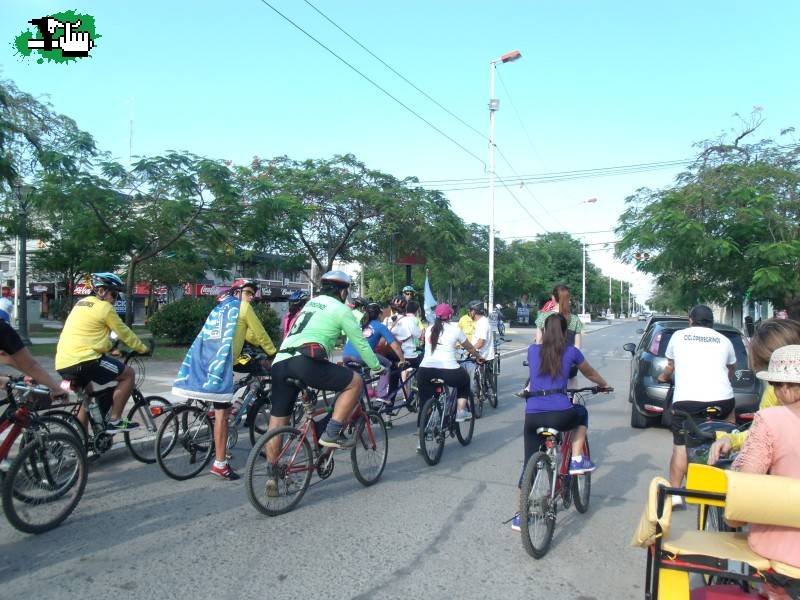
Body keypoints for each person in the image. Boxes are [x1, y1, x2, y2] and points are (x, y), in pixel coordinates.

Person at [267, 270, 383, 475]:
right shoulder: (341, 309)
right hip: (304, 361)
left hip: (280, 362)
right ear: (343, 291)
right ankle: (330, 433)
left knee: (278, 421)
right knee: (354, 382)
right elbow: (361, 345)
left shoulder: (310, 304)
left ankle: (272, 474)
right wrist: (377, 367)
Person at [512, 313, 611, 531]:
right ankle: (576, 459)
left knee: (530, 462)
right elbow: (590, 373)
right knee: (582, 413)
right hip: (561, 414)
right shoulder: (571, 352)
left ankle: (520, 515)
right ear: (565, 333)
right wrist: (604, 385)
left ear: (545, 331)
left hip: (533, 416)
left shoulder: (532, 350)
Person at [730, 345, 800, 589]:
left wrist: (734, 519)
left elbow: (746, 492)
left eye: (774, 385)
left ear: (787, 387)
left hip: (783, 552)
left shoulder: (771, 420)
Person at [656, 304, 736, 507]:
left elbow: (670, 366)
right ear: (712, 322)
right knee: (728, 428)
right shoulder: (724, 340)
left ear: (690, 320)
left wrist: (664, 377)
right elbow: (731, 368)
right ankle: (727, 471)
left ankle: (675, 495)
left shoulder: (679, 336)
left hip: (687, 402)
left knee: (681, 446)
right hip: (722, 400)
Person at [55, 272, 150, 433]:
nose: (115, 298)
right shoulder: (105, 308)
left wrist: (111, 349)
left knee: (88, 400)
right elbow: (124, 332)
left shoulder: (80, 304)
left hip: (63, 363)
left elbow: (88, 335)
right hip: (86, 361)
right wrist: (143, 348)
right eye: (113, 293)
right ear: (100, 291)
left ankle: (81, 443)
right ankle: (115, 420)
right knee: (129, 375)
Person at [708, 319, 800, 464]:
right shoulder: (774, 396)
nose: (775, 389)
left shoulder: (774, 396)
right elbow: (760, 433)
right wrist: (731, 439)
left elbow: (759, 440)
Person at [214, 280, 277, 479]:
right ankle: (220, 463)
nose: (251, 297)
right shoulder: (243, 307)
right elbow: (260, 333)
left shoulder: (223, 307)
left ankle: (239, 400)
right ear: (238, 292)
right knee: (222, 415)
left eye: (252, 294)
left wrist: (255, 342)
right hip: (226, 362)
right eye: (248, 292)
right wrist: (272, 352)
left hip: (212, 359)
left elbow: (250, 335)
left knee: (249, 366)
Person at [417, 303, 483, 446]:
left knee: (424, 402)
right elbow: (469, 347)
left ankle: (421, 436)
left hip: (425, 370)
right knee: (464, 381)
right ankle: (460, 411)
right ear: (450, 316)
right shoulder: (455, 330)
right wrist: (477, 356)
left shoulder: (429, 329)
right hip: (448, 370)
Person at [342, 301, 404, 405]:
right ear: (379, 314)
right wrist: (402, 359)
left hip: (346, 355)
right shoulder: (380, 326)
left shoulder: (360, 325)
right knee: (387, 365)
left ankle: (359, 403)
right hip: (361, 356)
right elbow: (395, 346)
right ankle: (382, 394)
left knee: (358, 379)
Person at [0, 319, 67, 400]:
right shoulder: (3, 328)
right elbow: (31, 366)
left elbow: (5, 357)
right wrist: (57, 389)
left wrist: (29, 375)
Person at [535, 284, 583, 349]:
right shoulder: (575, 319)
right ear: (568, 298)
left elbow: (539, 343)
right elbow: (577, 347)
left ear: (553, 298)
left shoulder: (543, 316)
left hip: (548, 356)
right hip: (568, 357)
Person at [464, 300, 495, 391]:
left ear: (473, 311)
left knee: (465, 370)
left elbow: (481, 342)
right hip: (481, 353)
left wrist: (469, 350)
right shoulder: (482, 321)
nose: (469, 313)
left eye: (469, 311)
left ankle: (473, 393)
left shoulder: (482, 323)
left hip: (481, 354)